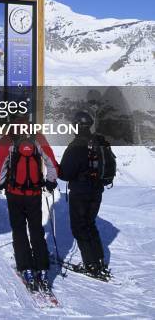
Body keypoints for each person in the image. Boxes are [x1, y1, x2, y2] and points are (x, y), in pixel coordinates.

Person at [0, 123, 58, 291]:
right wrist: (51, 181)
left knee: (19, 229)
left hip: (14, 193)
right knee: (36, 228)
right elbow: (51, 161)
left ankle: (26, 268)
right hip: (34, 194)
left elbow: (1, 164)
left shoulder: (7, 140)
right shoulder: (37, 137)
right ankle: (42, 268)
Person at [59, 110, 115, 278]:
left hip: (80, 192)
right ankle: (98, 261)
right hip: (97, 190)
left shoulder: (76, 145)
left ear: (76, 125)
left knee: (79, 227)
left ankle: (90, 265)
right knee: (90, 224)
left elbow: (65, 174)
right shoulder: (99, 141)